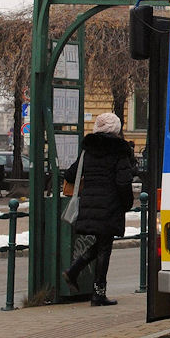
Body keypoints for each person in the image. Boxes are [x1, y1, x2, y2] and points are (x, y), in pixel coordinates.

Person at [62, 112, 136, 306]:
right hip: (110, 205)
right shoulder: (120, 151)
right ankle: (97, 292)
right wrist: (127, 203)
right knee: (104, 248)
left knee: (102, 245)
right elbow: (123, 181)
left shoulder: (88, 150)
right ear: (116, 128)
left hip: (90, 204)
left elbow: (70, 174)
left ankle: (77, 274)